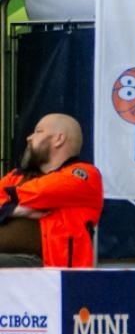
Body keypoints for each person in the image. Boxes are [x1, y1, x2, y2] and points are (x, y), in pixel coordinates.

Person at [0, 114, 102, 269]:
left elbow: (42, 191)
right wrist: (15, 210)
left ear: (58, 139)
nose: (29, 137)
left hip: (48, 269)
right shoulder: (18, 176)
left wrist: (7, 203)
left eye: (38, 131)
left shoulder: (84, 175)